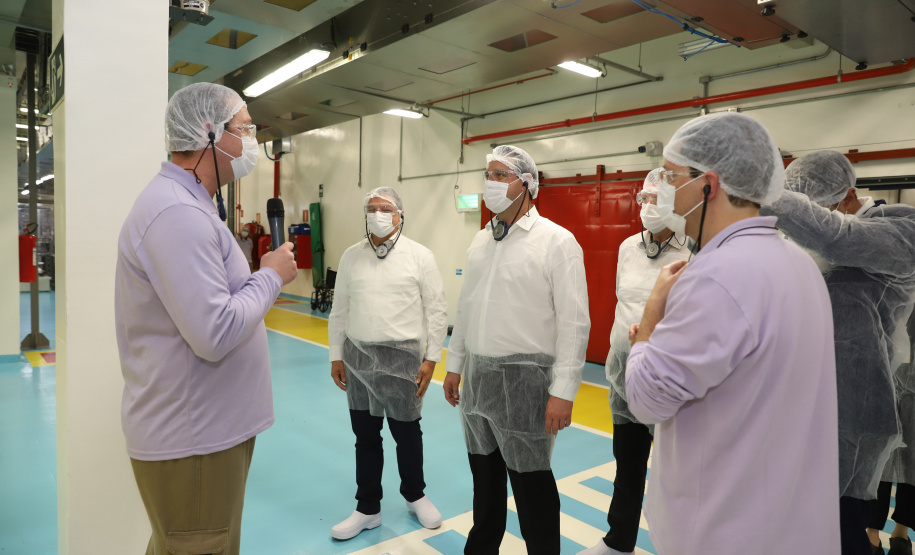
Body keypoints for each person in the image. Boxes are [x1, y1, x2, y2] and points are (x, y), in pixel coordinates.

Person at [624, 112, 841, 555]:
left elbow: (646, 399)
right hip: (787, 524)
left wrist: (649, 324)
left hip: (721, 529)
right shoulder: (798, 263)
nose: (663, 188)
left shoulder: (717, 276)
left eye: (671, 175)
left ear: (708, 184)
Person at [115, 82, 297, 555]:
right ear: (210, 132)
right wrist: (271, 276)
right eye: (245, 128)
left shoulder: (189, 204)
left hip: (206, 433)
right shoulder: (177, 212)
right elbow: (214, 333)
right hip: (194, 441)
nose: (252, 140)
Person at [761, 150, 915, 555]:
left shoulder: (900, 227)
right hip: (802, 399)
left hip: (853, 406)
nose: (811, 220)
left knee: (841, 528)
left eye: (819, 208)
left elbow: (836, 239)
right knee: (802, 524)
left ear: (848, 194)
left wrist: (758, 186)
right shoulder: (814, 238)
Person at [443, 145, 591, 555]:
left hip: (527, 387)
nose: (490, 182)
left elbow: (575, 322)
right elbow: (466, 307)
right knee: (485, 486)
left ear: (527, 183)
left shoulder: (556, 242)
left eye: (500, 174)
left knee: (532, 491)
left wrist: (564, 391)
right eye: (487, 174)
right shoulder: (481, 241)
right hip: (478, 383)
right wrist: (455, 364)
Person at [578, 168, 689, 555]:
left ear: (675, 202)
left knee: (677, 471)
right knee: (627, 463)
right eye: (644, 198)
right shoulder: (628, 248)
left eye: (656, 199)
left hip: (670, 378)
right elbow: (622, 301)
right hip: (624, 373)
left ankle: (679, 544)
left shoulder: (694, 251)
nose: (647, 206)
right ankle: (619, 540)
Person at [327, 187, 448, 540]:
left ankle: (415, 495)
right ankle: (368, 508)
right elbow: (339, 310)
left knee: (406, 433)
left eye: (385, 208)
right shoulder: (351, 256)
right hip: (357, 358)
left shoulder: (419, 256)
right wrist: (336, 355)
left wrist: (431, 358)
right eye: (371, 208)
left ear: (400, 214)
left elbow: (437, 310)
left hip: (403, 360)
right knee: (365, 436)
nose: (377, 214)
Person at [870, 311, 915, 555]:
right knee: (880, 457)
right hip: (883, 382)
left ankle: (895, 537)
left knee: (902, 461)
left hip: (888, 382)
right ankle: (885, 535)